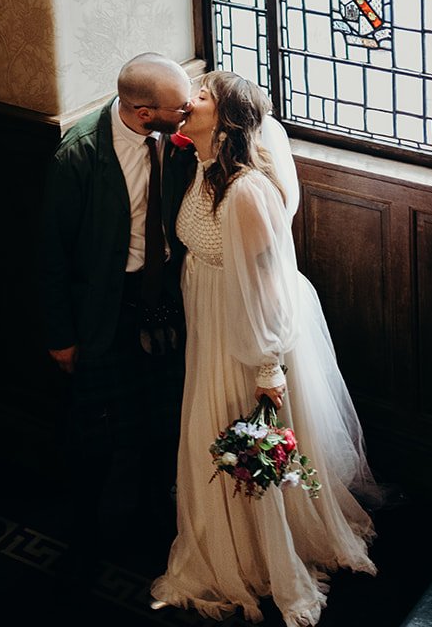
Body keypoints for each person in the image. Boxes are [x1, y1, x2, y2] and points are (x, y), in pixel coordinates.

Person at [151, 69, 376, 625]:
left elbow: (271, 285)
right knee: (211, 436)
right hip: (210, 327)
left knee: (244, 447)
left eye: (201, 95)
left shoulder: (247, 192)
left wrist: (268, 368)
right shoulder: (204, 169)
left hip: (245, 338)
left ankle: (265, 555)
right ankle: (223, 541)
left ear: (224, 121)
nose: (188, 99)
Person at [39, 52, 196, 537]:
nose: (187, 114)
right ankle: (85, 532)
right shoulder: (79, 155)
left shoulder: (177, 143)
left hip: (166, 301)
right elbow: (52, 253)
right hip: (107, 308)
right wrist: (61, 335)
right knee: (96, 434)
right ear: (143, 112)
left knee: (163, 423)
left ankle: (154, 519)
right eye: (179, 110)